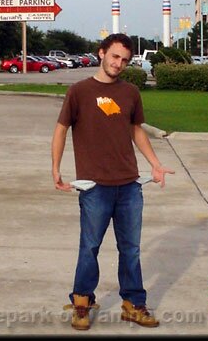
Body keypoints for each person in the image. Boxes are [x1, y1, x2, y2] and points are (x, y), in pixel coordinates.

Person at [51, 33, 174, 330]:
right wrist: (55, 168)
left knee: (130, 248)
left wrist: (155, 165)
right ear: (102, 53)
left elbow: (137, 131)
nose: (119, 64)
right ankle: (82, 302)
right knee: (89, 247)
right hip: (94, 187)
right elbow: (61, 129)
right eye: (115, 57)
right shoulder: (79, 91)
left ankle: (133, 303)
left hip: (129, 186)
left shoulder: (130, 92)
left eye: (125, 60)